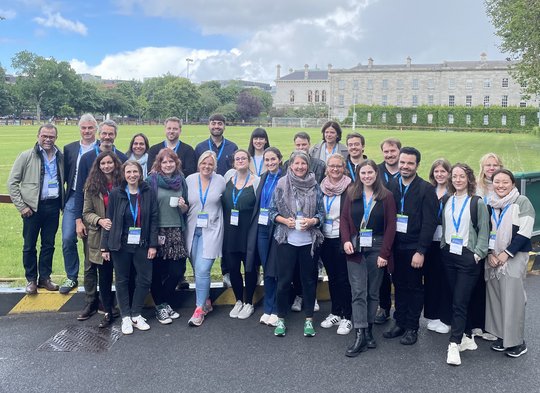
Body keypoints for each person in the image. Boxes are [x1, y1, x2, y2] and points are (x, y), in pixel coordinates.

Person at [340, 160, 397, 356]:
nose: (366, 176)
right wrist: (346, 240)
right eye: (363, 173)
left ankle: (369, 330)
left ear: (376, 173)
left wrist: (384, 254)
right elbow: (345, 220)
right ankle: (359, 333)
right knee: (358, 292)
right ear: (359, 175)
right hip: (355, 247)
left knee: (372, 292)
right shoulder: (351, 193)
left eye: (370, 172)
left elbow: (391, 226)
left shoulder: (386, 196)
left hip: (377, 247)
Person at [383, 147, 438, 345]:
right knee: (398, 285)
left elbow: (429, 223)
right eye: (403, 162)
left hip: (414, 247)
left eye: (410, 163)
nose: (405, 166)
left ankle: (412, 327)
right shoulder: (391, 184)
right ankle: (400, 321)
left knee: (414, 287)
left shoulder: (426, 189)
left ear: (417, 165)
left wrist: (421, 251)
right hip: (395, 246)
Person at [74, 120, 128, 321]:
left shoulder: (122, 158)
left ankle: (111, 303)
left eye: (110, 134)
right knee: (91, 265)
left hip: (117, 230)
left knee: (114, 266)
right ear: (99, 133)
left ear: (115, 135)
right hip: (94, 227)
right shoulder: (88, 158)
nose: (107, 137)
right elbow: (81, 191)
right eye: (104, 133)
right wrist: (79, 220)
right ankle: (90, 302)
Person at [269, 151, 325, 337]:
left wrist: (313, 222)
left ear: (308, 165)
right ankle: (281, 319)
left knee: (309, 282)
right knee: (284, 282)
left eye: (303, 163)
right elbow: (271, 212)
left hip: (309, 242)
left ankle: (309, 320)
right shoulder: (281, 184)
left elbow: (321, 214)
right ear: (290, 165)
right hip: (287, 240)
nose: (300, 167)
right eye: (296, 163)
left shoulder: (315, 185)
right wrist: (285, 221)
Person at [101, 160, 158, 335]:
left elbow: (154, 218)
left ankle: (136, 314)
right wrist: (105, 246)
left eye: (135, 171)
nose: (132, 175)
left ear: (140, 173)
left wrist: (153, 244)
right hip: (121, 244)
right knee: (122, 279)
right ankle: (125, 316)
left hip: (142, 243)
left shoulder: (148, 192)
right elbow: (108, 220)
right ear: (124, 174)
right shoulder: (117, 194)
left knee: (145, 279)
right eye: (128, 172)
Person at [440, 163, 489, 366]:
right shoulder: (447, 200)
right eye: (455, 176)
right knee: (456, 298)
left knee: (459, 301)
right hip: (450, 254)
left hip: (468, 257)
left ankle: (454, 343)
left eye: (462, 176)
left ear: (469, 179)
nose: (457, 180)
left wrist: (478, 254)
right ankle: (467, 336)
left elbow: (484, 232)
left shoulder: (476, 202)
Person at [8, 124, 64, 294]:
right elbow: (12, 183)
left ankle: (45, 278)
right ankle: (31, 279)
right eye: (44, 136)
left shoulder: (60, 156)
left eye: (51, 137)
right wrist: (22, 206)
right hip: (32, 208)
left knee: (49, 244)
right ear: (38, 136)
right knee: (29, 245)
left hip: (53, 206)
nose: (48, 139)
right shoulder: (26, 156)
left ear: (56, 138)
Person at [485, 169, 535, 358]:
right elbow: (488, 230)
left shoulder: (521, 202)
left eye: (505, 182)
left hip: (514, 255)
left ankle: (516, 342)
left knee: (512, 299)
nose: (500, 185)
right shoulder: (491, 203)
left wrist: (506, 253)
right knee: (496, 297)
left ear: (512, 184)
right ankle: (501, 336)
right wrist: (491, 253)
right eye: (497, 182)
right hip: (494, 256)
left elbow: (525, 231)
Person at [194, 114, 238, 288]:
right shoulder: (201, 147)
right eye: (213, 123)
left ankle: (226, 271)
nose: (217, 126)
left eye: (220, 123)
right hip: (206, 199)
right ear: (209, 125)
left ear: (224, 126)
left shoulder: (232, 147)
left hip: (226, 197)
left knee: (226, 235)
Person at [146, 149, 189, 325]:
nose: (168, 165)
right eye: (164, 162)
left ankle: (163, 303)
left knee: (177, 271)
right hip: (158, 230)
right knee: (157, 271)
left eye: (171, 161)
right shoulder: (151, 181)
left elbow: (186, 208)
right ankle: (161, 306)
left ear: (176, 162)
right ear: (159, 164)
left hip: (176, 230)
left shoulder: (181, 181)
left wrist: (183, 206)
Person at [184, 151, 226, 327]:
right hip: (192, 230)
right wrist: (182, 206)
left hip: (212, 230)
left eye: (210, 164)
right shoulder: (190, 180)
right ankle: (206, 301)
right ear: (199, 164)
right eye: (204, 163)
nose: (206, 167)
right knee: (196, 268)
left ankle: (199, 309)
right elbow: (186, 206)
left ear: (214, 166)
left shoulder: (221, 181)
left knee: (203, 269)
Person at [82, 151, 123, 328]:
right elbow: (86, 213)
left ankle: (125, 310)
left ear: (115, 163)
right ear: (98, 166)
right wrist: (99, 220)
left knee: (123, 275)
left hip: (122, 236)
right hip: (100, 237)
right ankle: (107, 311)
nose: (107, 166)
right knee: (104, 276)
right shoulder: (92, 186)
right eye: (103, 163)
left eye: (110, 162)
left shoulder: (123, 182)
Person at [245, 147, 284, 327]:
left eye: (273, 159)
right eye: (267, 160)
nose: (270, 163)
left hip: (277, 228)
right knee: (266, 269)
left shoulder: (284, 179)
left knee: (274, 270)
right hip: (261, 228)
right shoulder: (263, 178)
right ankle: (267, 308)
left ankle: (276, 309)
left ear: (280, 159)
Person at [60, 113, 98, 294]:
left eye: (90, 128)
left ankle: (93, 279)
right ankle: (71, 276)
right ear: (79, 129)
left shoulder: (102, 148)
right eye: (84, 128)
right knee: (68, 238)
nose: (87, 131)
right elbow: (65, 175)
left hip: (95, 199)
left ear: (96, 129)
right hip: (74, 197)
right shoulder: (70, 149)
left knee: (92, 242)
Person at [222, 149, 260, 319]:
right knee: (233, 268)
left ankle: (249, 302)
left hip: (249, 233)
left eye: (243, 158)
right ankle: (238, 300)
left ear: (249, 160)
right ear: (233, 162)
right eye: (237, 158)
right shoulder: (227, 180)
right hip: (231, 233)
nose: (240, 161)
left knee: (250, 268)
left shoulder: (256, 182)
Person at [469, 153, 504, 341]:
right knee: (478, 284)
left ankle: (494, 325)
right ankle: (477, 324)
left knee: (495, 286)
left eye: (495, 164)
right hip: (481, 242)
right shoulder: (476, 187)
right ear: (482, 167)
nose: (491, 168)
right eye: (488, 165)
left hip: (500, 243)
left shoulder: (505, 186)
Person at [318, 154, 353, 335]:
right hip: (325, 238)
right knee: (331, 276)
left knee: (343, 278)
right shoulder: (322, 187)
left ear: (344, 168)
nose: (335, 169)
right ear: (327, 168)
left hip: (342, 238)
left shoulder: (351, 187)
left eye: (339, 166)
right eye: (331, 166)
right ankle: (335, 312)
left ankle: (347, 316)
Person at [375, 137, 402, 324]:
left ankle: (400, 311)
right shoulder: (376, 171)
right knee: (382, 272)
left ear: (399, 152)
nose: (390, 155)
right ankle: (384, 307)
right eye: (386, 151)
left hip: (401, 230)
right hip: (380, 229)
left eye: (393, 151)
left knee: (399, 273)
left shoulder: (407, 169)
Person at [424, 159, 453, 334]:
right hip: (429, 240)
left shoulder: (453, 192)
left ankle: (445, 317)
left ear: (449, 173)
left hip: (447, 242)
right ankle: (433, 315)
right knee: (431, 279)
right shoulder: (429, 190)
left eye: (443, 171)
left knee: (445, 280)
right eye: (436, 171)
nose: (440, 174)